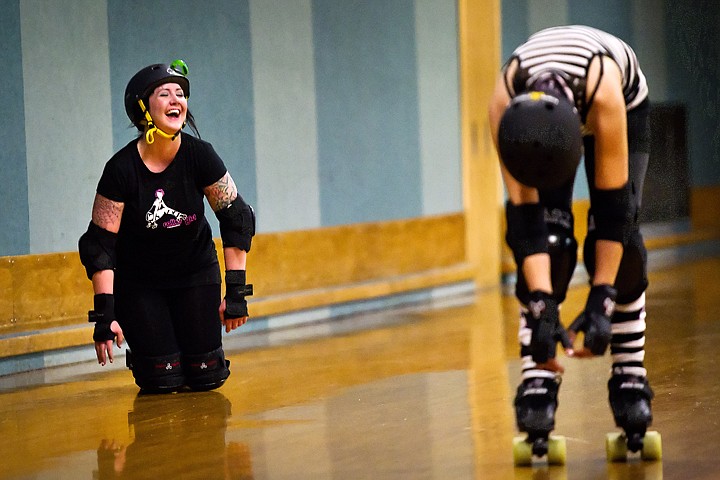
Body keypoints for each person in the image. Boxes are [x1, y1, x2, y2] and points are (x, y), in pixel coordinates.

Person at [488, 26, 654, 455]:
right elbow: (525, 223)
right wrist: (542, 304)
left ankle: (629, 373)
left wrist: (602, 297)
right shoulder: (502, 106)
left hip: (622, 100)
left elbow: (614, 214)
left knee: (623, 244)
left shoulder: (604, 93)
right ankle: (537, 377)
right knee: (553, 243)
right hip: (546, 115)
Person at [79, 60, 255, 393]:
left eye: (181, 94)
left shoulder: (201, 156)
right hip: (140, 283)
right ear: (142, 107)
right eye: (164, 94)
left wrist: (236, 292)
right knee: (162, 378)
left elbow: (236, 217)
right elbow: (100, 245)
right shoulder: (120, 169)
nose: (176, 100)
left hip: (195, 272)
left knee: (208, 375)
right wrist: (105, 316)